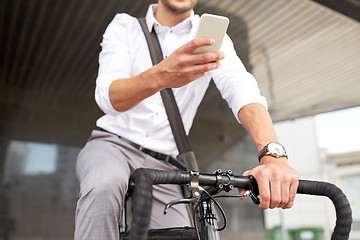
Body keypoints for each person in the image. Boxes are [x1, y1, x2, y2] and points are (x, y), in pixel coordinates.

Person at [74, 0, 299, 239]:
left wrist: (272, 156)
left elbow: (241, 89)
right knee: (103, 185)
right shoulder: (125, 26)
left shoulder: (211, 36)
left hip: (164, 163)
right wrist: (162, 74)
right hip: (112, 144)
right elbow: (108, 98)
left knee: (182, 234)